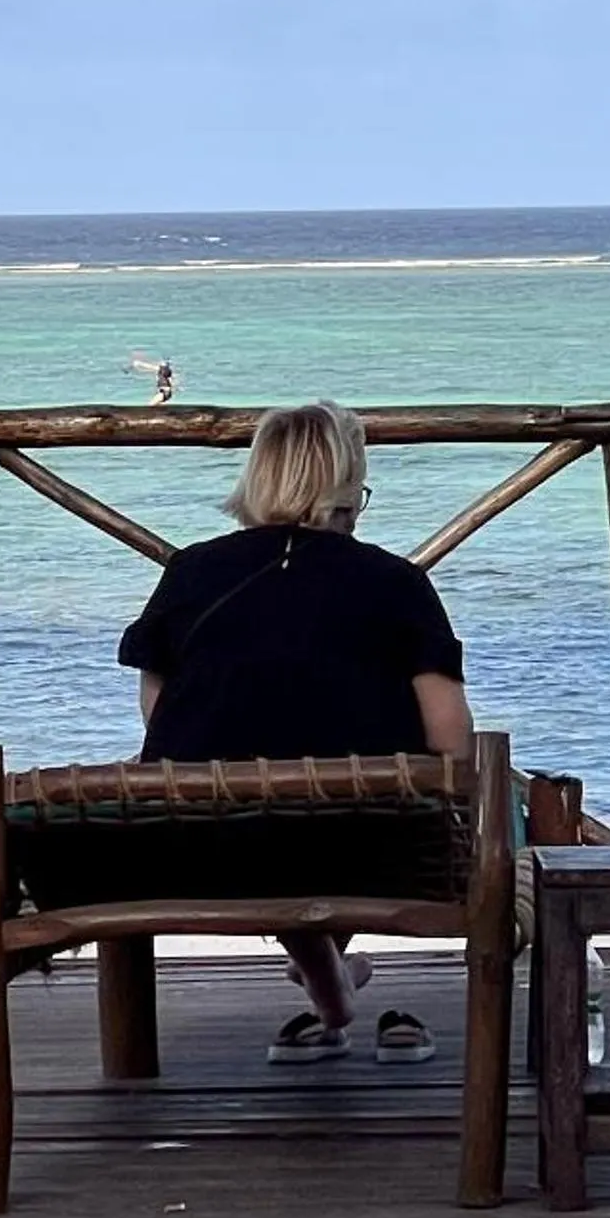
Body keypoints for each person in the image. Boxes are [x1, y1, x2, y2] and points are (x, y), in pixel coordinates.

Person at [118, 401, 473, 1068]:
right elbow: (451, 739)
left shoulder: (190, 572)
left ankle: (332, 993)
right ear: (346, 492)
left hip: (200, 850)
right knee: (340, 810)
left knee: (266, 813)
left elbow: (162, 716)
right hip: (373, 847)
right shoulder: (396, 583)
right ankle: (336, 986)